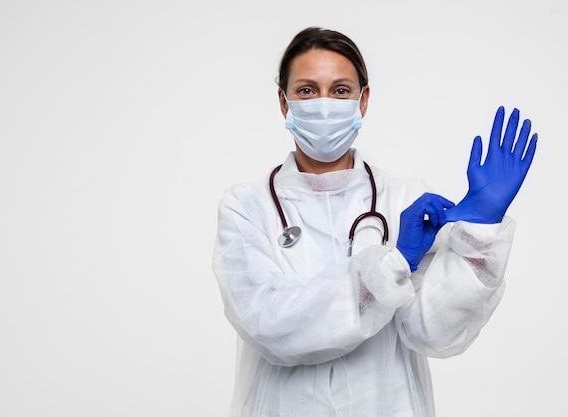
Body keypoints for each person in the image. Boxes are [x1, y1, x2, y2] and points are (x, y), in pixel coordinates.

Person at [212, 26, 537, 417]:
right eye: (306, 91)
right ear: (284, 103)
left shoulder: (403, 199)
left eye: (341, 90)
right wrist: (395, 263)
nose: (325, 104)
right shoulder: (247, 207)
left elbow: (432, 332)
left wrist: (480, 233)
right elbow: (270, 325)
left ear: (363, 101)